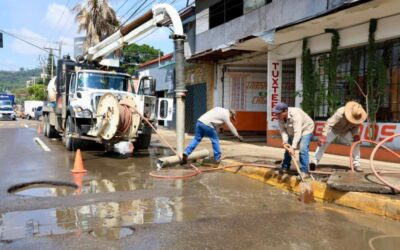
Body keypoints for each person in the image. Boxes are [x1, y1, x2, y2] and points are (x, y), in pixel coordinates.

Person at [310, 101, 367, 172]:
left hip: (346, 131)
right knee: (324, 142)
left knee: (356, 144)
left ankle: (356, 164)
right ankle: (314, 161)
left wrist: (355, 135)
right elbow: (328, 123)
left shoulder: (359, 116)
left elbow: (355, 127)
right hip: (335, 129)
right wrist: (323, 136)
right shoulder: (340, 112)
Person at [274, 102, 315, 179]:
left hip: (306, 129)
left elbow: (297, 132)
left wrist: (293, 147)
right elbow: (283, 131)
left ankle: (304, 172)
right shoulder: (280, 118)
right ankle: (285, 167)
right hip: (292, 131)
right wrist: (285, 141)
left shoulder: (295, 114)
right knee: (288, 149)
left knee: (303, 149)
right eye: (276, 114)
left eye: (279, 113)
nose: (277, 115)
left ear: (285, 111)